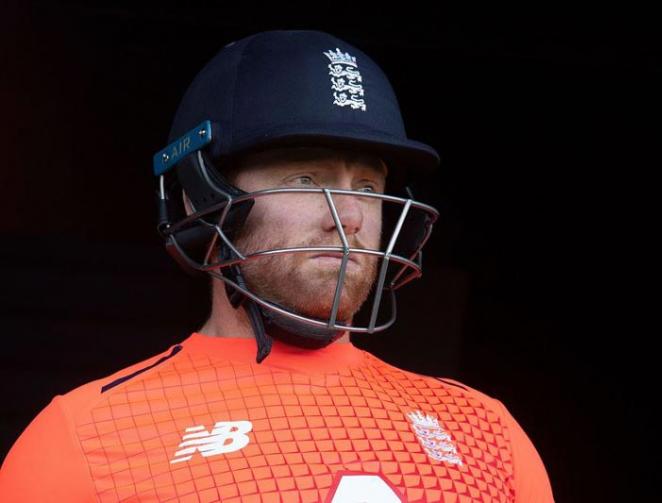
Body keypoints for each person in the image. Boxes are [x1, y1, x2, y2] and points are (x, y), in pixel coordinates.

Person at [0, 30, 555, 502]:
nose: (350, 218)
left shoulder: (487, 434)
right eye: (306, 179)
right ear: (201, 198)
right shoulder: (83, 440)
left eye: (368, 186)